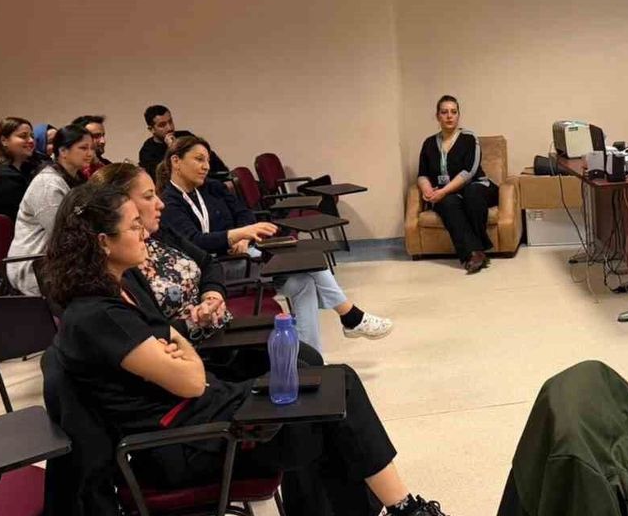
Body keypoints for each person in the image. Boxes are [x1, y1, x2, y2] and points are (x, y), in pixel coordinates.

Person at [44, 184, 448, 516]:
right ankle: (406, 509)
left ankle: (403, 508)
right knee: (336, 391)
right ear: (103, 242)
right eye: (134, 226)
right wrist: (181, 352)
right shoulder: (98, 316)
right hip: (187, 445)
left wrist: (177, 348)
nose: (145, 233)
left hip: (202, 417)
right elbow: (191, 380)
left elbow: (174, 342)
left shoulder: (123, 288)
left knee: (330, 395)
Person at [90, 163, 327, 377]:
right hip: (197, 354)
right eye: (149, 196)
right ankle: (346, 313)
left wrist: (211, 295)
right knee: (302, 367)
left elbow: (208, 263)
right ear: (119, 207)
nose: (160, 203)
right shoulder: (122, 264)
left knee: (309, 355)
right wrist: (196, 322)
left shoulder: (160, 234)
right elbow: (149, 332)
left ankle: (346, 313)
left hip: (217, 332)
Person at [159, 136, 391, 351]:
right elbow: (195, 241)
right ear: (176, 161)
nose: (206, 166)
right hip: (217, 271)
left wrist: (245, 237)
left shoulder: (212, 187)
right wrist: (237, 235)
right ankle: (350, 316)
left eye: (208, 161)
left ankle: (311, 357)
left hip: (245, 256)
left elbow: (244, 213)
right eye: (199, 159)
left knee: (303, 283)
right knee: (303, 262)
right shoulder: (169, 202)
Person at [7, 125, 92, 296]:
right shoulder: (48, 185)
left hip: (62, 258)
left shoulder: (77, 178)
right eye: (83, 148)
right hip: (34, 266)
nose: (90, 153)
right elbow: (63, 235)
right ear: (63, 151)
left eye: (91, 148)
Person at [415, 96, 497, 274]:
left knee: (471, 194)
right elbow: (422, 174)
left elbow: (468, 172)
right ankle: (474, 254)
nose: (449, 116)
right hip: (448, 194)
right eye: (444, 112)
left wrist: (443, 191)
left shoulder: (469, 138)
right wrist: (428, 190)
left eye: (453, 112)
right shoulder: (428, 143)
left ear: (458, 115)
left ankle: (478, 248)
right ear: (437, 116)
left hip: (477, 186)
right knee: (447, 203)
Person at [0, 117, 43, 221]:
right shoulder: (2, 177)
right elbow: (28, 214)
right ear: (4, 141)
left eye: (32, 136)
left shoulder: (26, 167)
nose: (31, 140)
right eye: (23, 136)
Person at [137, 104, 230, 177]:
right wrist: (173, 149)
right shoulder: (147, 152)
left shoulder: (185, 136)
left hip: (208, 181)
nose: (169, 128)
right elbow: (162, 177)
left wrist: (226, 176)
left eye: (170, 122)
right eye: (162, 125)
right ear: (151, 129)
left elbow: (210, 156)